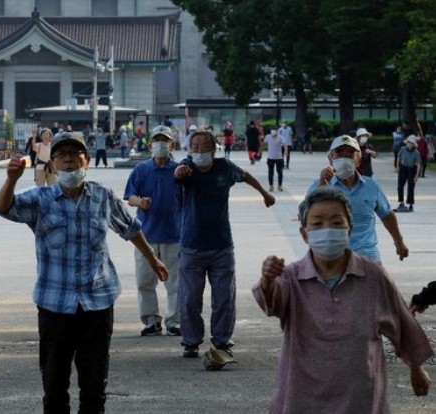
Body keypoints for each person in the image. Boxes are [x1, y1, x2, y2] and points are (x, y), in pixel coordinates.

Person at [0, 131, 168, 414]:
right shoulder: (41, 199)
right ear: (52, 165)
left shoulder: (102, 196)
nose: (69, 162)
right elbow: (4, 208)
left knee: (94, 389)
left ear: (86, 160)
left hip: (97, 303)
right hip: (54, 305)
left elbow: (130, 228)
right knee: (54, 388)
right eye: (62, 157)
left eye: (75, 156)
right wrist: (11, 179)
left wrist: (152, 259)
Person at [254, 186, 432, 414]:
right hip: (302, 392)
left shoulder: (372, 275)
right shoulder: (292, 276)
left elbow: (401, 321)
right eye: (317, 223)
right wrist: (268, 281)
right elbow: (272, 305)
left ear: (350, 230)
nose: (327, 229)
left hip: (359, 393)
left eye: (336, 223)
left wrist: (416, 368)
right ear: (304, 234)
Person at [174, 131, 275, 361]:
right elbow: (177, 174)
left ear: (214, 149)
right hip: (192, 246)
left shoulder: (225, 168)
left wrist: (264, 194)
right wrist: (179, 172)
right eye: (195, 147)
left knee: (224, 299)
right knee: (189, 299)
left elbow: (246, 175)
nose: (199, 151)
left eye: (204, 146)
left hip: (221, 246)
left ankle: (222, 340)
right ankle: (191, 341)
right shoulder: (186, 167)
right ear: (190, 150)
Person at [309, 135, 408, 262]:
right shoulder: (319, 185)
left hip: (367, 257)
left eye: (350, 153)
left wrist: (399, 242)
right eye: (339, 153)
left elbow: (387, 215)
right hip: (331, 260)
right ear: (331, 159)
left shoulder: (371, 186)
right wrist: (322, 186)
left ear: (358, 161)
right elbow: (306, 218)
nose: (345, 158)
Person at [124, 125, 181, 337]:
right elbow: (129, 197)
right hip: (145, 235)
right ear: (149, 145)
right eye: (157, 140)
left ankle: (174, 320)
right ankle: (150, 319)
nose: (160, 144)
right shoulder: (140, 170)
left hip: (174, 233)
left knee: (175, 281)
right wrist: (140, 201)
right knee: (144, 280)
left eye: (165, 140)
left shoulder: (180, 171)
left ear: (172, 144)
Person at [395, 135, 421, 213]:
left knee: (411, 187)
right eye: (409, 142)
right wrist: (397, 167)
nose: (410, 144)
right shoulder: (402, 149)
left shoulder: (416, 152)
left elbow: (418, 164)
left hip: (411, 169)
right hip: (403, 168)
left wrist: (416, 175)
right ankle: (401, 202)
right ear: (407, 142)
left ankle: (410, 204)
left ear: (414, 144)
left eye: (412, 143)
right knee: (400, 186)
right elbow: (398, 157)